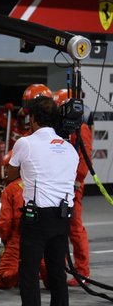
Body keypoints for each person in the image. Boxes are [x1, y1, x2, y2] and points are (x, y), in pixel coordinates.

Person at [0, 96, 78, 306]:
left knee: (29, 274)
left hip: (36, 217)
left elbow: (10, 174)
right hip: (63, 217)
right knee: (57, 274)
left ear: (31, 119)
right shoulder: (69, 147)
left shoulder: (26, 143)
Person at [53, 88, 92, 285]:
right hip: (59, 183)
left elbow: (84, 160)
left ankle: (83, 271)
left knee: (74, 228)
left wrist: (76, 182)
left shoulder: (81, 129)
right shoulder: (60, 129)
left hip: (72, 185)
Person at [0, 152, 25, 289]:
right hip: (46, 236)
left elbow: (5, 222)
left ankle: (25, 270)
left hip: (19, 237)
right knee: (52, 279)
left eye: (8, 168)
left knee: (2, 280)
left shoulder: (11, 189)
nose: (6, 172)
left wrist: (6, 240)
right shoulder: (43, 183)